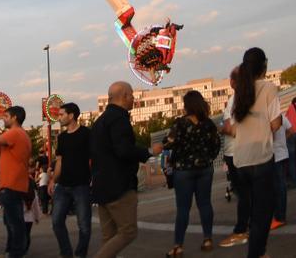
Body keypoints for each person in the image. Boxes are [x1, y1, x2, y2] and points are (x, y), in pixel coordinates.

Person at [92, 81, 162, 258]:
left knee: (109, 236)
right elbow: (123, 150)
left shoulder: (99, 122)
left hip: (102, 186)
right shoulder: (119, 119)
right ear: (124, 96)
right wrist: (148, 151)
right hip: (119, 186)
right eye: (132, 95)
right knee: (128, 231)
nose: (133, 99)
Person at [224, 48, 280, 258]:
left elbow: (234, 128)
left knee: (253, 209)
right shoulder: (268, 88)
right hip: (261, 158)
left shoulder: (239, 93)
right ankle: (257, 254)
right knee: (263, 214)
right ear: (264, 66)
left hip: (240, 161)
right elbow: (275, 123)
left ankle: (260, 253)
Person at [164, 90, 221, 256]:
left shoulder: (180, 124)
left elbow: (168, 143)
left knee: (183, 208)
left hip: (183, 170)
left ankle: (178, 246)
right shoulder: (208, 123)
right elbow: (216, 145)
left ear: (187, 105)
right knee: (205, 203)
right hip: (205, 168)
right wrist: (207, 158)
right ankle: (208, 239)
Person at [49, 101, 91, 258]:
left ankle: (80, 254)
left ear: (71, 115)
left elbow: (93, 158)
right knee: (56, 222)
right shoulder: (62, 137)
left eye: (61, 114)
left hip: (81, 185)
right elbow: (59, 161)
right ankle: (66, 253)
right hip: (63, 185)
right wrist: (53, 180)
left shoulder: (87, 133)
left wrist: (93, 177)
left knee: (84, 226)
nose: (58, 117)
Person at [0, 106, 31, 258]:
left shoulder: (14, 133)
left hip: (11, 184)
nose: (3, 118)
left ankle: (15, 253)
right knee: (11, 222)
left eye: (6, 116)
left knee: (14, 224)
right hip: (13, 183)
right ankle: (12, 251)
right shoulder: (22, 134)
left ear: (15, 117)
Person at [219, 67, 250, 248]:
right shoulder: (253, 98)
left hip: (234, 152)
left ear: (232, 83)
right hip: (251, 150)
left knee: (242, 192)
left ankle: (240, 229)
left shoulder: (233, 101)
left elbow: (229, 129)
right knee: (251, 191)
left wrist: (222, 128)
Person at [271, 108, 290, 231]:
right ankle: (280, 216)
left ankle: (279, 217)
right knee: (281, 185)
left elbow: (271, 134)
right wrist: (283, 142)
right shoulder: (282, 116)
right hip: (283, 153)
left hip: (274, 155)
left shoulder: (271, 119)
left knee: (278, 187)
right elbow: (291, 131)